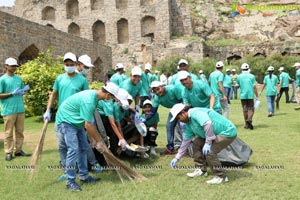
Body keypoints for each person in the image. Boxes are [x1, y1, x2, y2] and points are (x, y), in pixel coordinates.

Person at [55, 82, 120, 191]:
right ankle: (70, 182)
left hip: (76, 121)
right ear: (108, 95)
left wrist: (96, 139)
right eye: (113, 97)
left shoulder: (94, 97)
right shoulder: (90, 100)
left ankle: (84, 176)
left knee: (83, 148)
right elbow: (88, 125)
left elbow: (88, 121)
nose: (112, 100)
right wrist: (100, 141)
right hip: (66, 121)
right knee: (73, 150)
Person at [43, 52, 91, 179]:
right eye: (67, 64)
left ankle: (83, 174)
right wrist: (48, 110)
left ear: (76, 64)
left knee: (80, 147)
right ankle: (67, 171)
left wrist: (87, 115)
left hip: (77, 118)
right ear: (64, 64)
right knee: (62, 146)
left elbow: (86, 98)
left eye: (71, 64)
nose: (69, 66)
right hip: (61, 118)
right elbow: (53, 94)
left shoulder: (82, 80)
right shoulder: (60, 79)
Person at [169, 103, 237, 184]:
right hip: (214, 133)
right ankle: (201, 170)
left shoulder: (195, 113)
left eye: (178, 118)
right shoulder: (188, 124)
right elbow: (185, 142)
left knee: (210, 152)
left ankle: (221, 176)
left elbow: (208, 124)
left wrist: (208, 143)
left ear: (183, 112)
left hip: (227, 132)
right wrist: (177, 157)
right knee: (196, 143)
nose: (179, 121)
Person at [0, 57, 31, 161]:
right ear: (6, 66)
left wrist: (24, 91)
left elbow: (21, 91)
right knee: (8, 132)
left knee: (20, 131)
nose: (14, 67)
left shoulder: (19, 79)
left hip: (20, 108)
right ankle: (8, 152)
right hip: (8, 110)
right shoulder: (2, 79)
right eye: (12, 66)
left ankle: (18, 150)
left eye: (15, 66)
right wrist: (12, 93)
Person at [145, 81, 182, 154]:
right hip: (174, 110)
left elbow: (182, 100)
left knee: (184, 127)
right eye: (155, 91)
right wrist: (144, 119)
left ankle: (187, 148)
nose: (157, 92)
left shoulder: (173, 89)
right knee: (169, 126)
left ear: (162, 86)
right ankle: (170, 148)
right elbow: (153, 111)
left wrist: (183, 113)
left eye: (158, 89)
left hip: (183, 107)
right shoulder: (156, 98)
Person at [236, 63, 258, 129]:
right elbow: (254, 87)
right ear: (248, 68)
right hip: (250, 94)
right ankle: (249, 119)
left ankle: (246, 124)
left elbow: (237, 86)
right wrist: (257, 95)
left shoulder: (239, 76)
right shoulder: (252, 76)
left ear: (241, 69)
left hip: (243, 95)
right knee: (251, 108)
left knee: (245, 109)